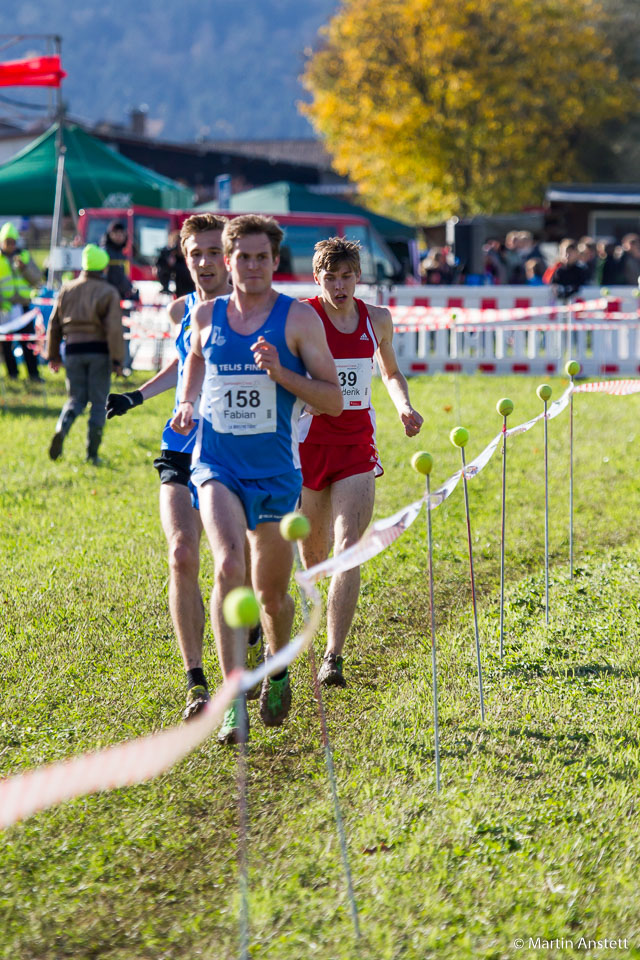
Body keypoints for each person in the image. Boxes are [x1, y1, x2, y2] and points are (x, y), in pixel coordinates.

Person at [171, 214, 342, 744]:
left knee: (270, 595)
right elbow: (195, 361)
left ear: (274, 261)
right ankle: (230, 699)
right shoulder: (205, 314)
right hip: (216, 467)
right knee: (226, 566)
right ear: (228, 261)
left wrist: (281, 373)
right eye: (241, 257)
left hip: (274, 472)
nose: (251, 266)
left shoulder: (298, 321)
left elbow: (333, 399)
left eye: (261, 257)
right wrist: (186, 403)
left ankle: (278, 662)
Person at [106, 213, 259, 723]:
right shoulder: (182, 309)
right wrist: (138, 395)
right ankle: (197, 683)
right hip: (180, 447)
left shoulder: (254, 312)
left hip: (235, 453)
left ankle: (251, 636)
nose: (206, 262)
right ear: (184, 257)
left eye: (215, 252)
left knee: (233, 564)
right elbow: (181, 361)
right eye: (196, 253)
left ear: (231, 255)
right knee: (180, 555)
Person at [298, 237, 423, 687]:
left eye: (346, 276)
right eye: (330, 278)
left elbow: (389, 371)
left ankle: (333, 656)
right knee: (312, 557)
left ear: (358, 277)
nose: (339, 286)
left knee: (348, 545)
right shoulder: (304, 315)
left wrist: (403, 406)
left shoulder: (378, 320)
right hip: (308, 447)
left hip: (355, 448)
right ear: (318, 279)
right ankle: (304, 637)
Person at [45, 244, 124, 464]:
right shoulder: (108, 291)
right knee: (99, 403)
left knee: (76, 399)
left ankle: (62, 428)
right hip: (99, 351)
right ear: (103, 268)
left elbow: (54, 324)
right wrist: (118, 360)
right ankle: (92, 455)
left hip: (72, 350)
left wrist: (53, 355)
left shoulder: (67, 289)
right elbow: (114, 329)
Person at [0, 221, 43, 382]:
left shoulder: (24, 256)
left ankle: (34, 374)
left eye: (13, 241)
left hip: (24, 308)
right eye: (7, 241)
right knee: (6, 344)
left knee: (28, 342)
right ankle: (13, 375)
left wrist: (24, 268)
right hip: (5, 309)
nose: (11, 245)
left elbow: (37, 279)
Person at [155, 230, 196, 298]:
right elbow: (163, 275)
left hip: (189, 295)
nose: (179, 248)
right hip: (178, 297)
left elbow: (187, 274)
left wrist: (174, 265)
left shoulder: (189, 258)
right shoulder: (173, 258)